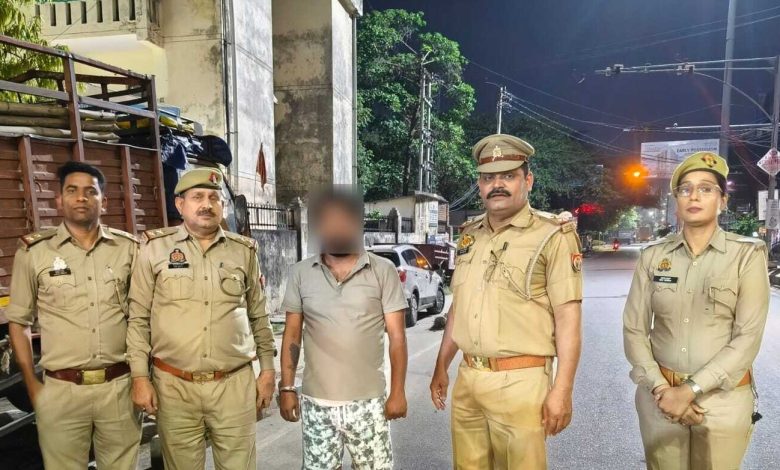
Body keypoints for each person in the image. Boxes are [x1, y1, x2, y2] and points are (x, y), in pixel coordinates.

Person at [429, 133, 584, 469]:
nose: (496, 185)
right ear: (479, 185)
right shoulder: (469, 235)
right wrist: (442, 365)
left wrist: (562, 389)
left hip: (521, 381)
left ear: (527, 181)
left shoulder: (552, 235)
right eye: (488, 178)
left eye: (508, 176)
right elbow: (459, 307)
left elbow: (568, 318)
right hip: (469, 378)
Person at [623, 151, 769, 470]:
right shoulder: (653, 257)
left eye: (706, 188)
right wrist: (662, 389)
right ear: (676, 201)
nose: (694, 196)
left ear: (722, 201)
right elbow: (634, 330)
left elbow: (747, 337)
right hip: (660, 398)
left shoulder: (745, 256)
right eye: (685, 189)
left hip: (723, 401)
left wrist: (689, 391)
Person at [126, 168, 276, 470]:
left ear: (222, 206)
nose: (207, 204)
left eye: (213, 198)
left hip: (233, 385)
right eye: (197, 197)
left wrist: (268, 371)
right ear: (180, 204)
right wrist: (140, 377)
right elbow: (138, 318)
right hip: (174, 387)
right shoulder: (154, 249)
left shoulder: (243, 251)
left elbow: (259, 315)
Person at [6, 161, 141, 469]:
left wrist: (142, 378)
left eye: (90, 191)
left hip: (119, 388)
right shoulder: (34, 252)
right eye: (72, 190)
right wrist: (32, 386)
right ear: (59, 200)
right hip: (61, 392)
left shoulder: (128, 249)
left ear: (103, 202)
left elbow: (142, 319)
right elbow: (19, 322)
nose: (81, 197)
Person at [278, 187, 408, 469]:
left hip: (368, 403)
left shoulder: (383, 271)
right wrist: (287, 387)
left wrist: (398, 391)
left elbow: (398, 337)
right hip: (317, 404)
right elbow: (292, 334)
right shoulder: (300, 273)